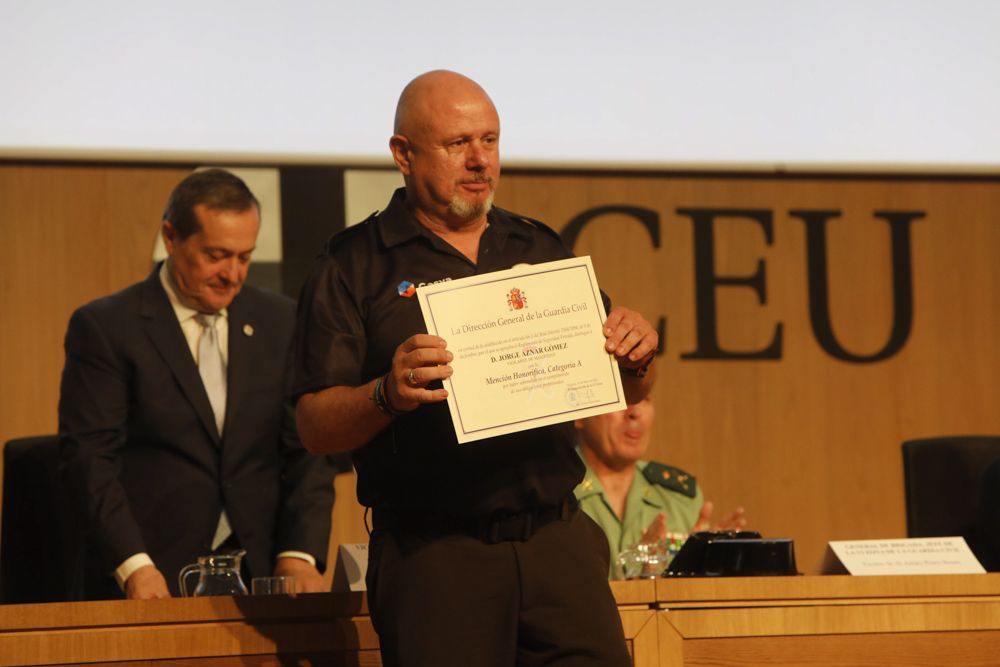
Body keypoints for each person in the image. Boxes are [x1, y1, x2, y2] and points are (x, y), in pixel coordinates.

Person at [293, 70, 657, 667]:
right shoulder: (352, 264)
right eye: (457, 143)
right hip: (437, 557)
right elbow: (313, 425)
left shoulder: (537, 247)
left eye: (489, 140)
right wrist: (387, 393)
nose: (479, 160)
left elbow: (624, 381)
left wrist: (638, 355)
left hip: (557, 545)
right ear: (402, 155)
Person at [59, 168, 337, 600]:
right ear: (171, 238)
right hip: (151, 576)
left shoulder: (279, 321)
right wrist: (135, 566)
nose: (233, 274)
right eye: (216, 255)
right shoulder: (108, 328)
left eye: (244, 257)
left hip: (262, 575)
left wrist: (298, 554)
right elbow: (90, 460)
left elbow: (307, 450)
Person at [574, 398, 746, 578]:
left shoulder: (680, 499)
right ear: (578, 414)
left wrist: (703, 563)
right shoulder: (554, 496)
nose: (635, 413)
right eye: (620, 398)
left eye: (644, 399)